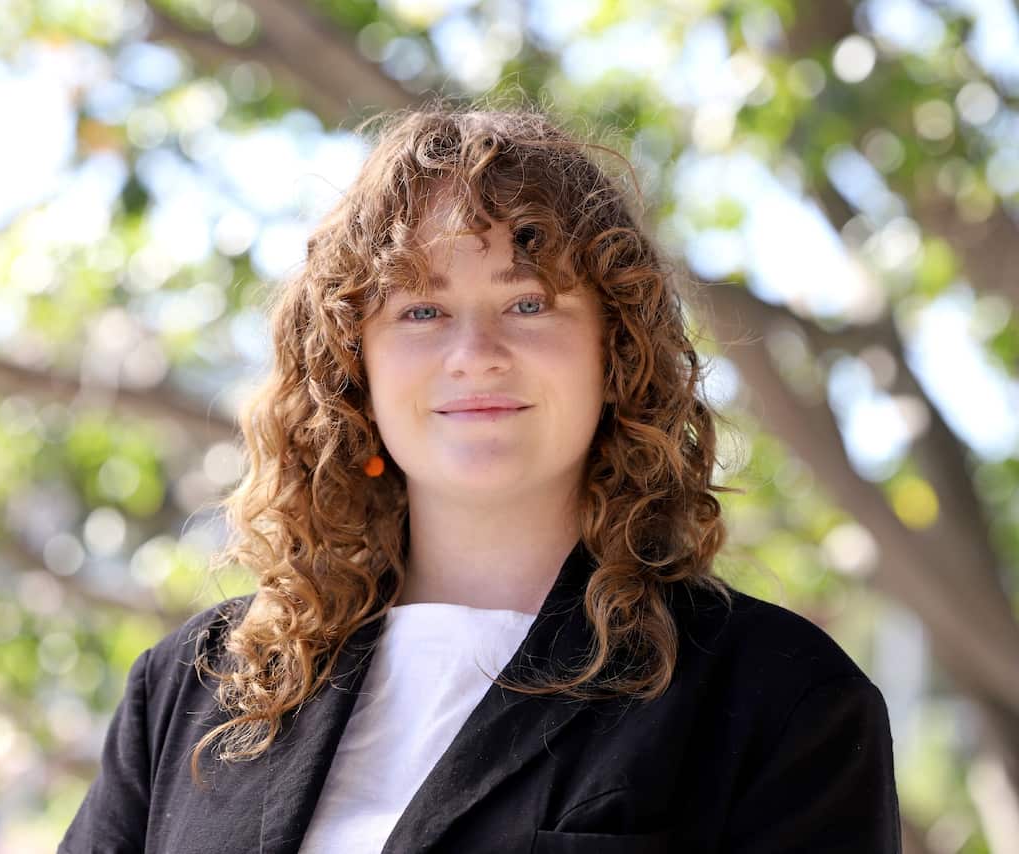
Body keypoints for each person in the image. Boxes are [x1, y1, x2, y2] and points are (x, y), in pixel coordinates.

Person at [58, 102, 902, 853]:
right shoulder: (194, 691)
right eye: (420, 311)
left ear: (617, 354)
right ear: (355, 371)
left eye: (529, 302)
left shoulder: (778, 698)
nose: (475, 356)